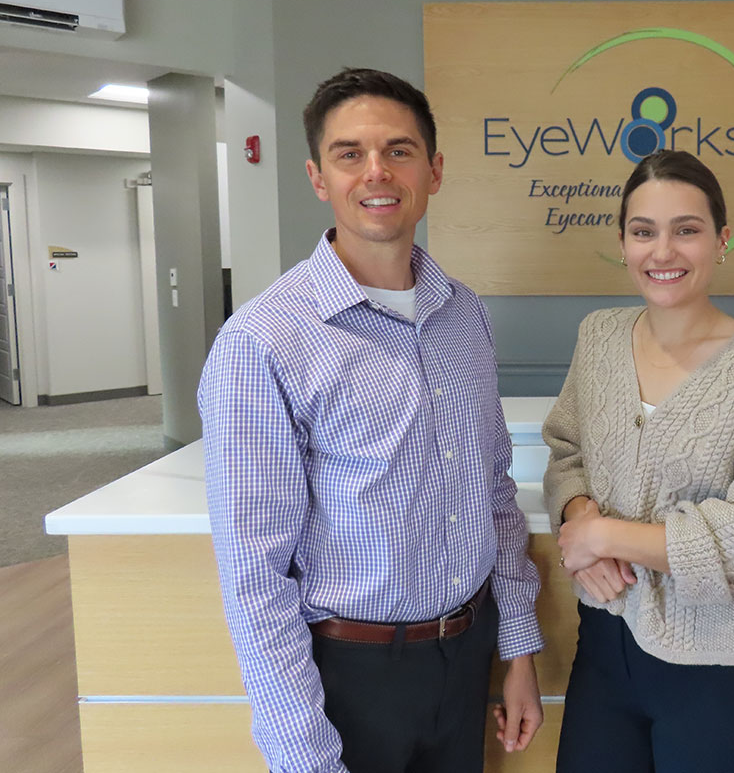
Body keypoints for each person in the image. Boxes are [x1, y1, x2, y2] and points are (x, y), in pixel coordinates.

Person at [199, 68, 544, 773]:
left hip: (467, 653)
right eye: (349, 153)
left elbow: (496, 495)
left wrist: (517, 646)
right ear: (318, 177)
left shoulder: (464, 314)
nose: (377, 171)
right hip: (347, 676)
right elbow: (254, 577)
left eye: (399, 150)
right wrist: (303, 752)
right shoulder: (263, 341)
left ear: (434, 171)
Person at [543, 149, 734, 773]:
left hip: (722, 669)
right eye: (644, 232)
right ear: (624, 242)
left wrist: (602, 536)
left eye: (685, 230)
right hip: (604, 653)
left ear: (721, 240)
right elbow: (566, 451)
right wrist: (580, 511)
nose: (662, 252)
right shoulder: (600, 336)